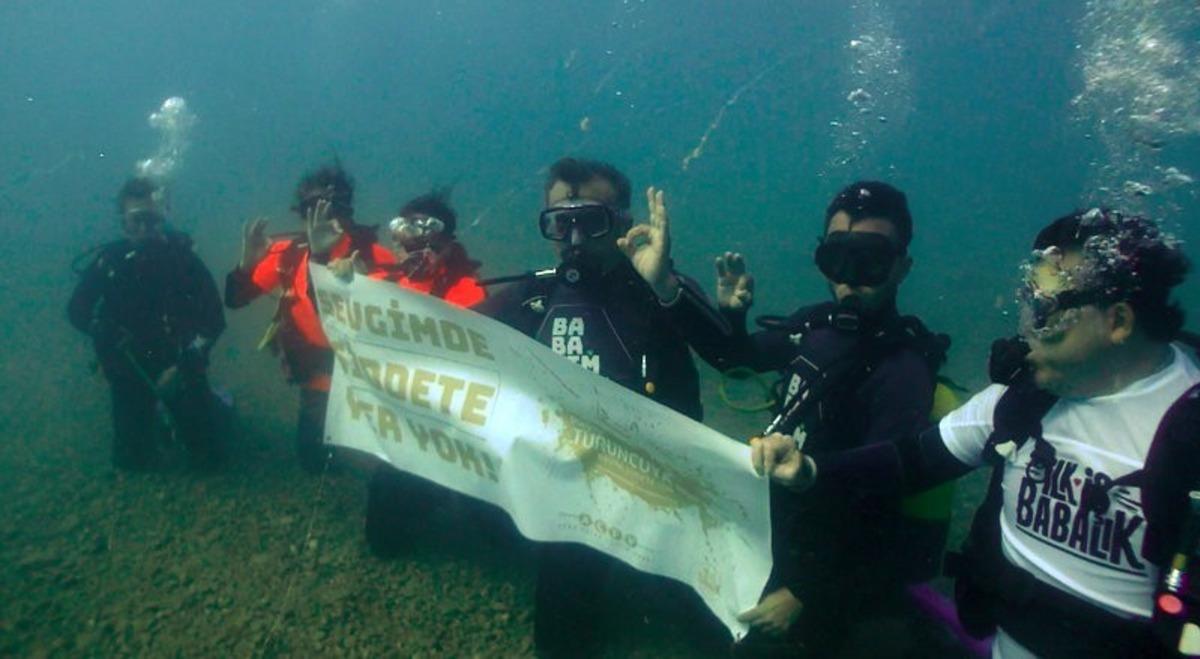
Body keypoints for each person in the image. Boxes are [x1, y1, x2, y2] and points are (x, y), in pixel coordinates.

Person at [752, 208, 1200, 658]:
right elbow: (914, 459)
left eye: (1044, 311)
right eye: (1027, 303)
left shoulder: (1187, 433)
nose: (1026, 331)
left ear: (1118, 321)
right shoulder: (1022, 400)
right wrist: (811, 469)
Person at [643, 181, 953, 657]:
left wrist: (804, 594)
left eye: (870, 260)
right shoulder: (816, 325)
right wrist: (669, 289)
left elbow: (879, 502)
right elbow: (736, 357)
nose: (851, 277)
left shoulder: (902, 373)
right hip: (783, 529)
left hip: (835, 559)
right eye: (837, 259)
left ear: (901, 267)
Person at [474, 157, 731, 657]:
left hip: (665, 483)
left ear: (619, 222)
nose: (573, 238)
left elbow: (728, 356)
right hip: (573, 490)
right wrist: (361, 294)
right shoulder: (536, 294)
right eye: (559, 222)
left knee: (715, 628)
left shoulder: (659, 290)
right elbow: (443, 335)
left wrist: (666, 288)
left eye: (589, 221)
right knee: (560, 638)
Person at [224, 162, 396, 474]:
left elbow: (390, 318)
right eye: (310, 209)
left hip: (368, 383)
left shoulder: (373, 256)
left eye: (328, 208)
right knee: (314, 464)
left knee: (380, 467)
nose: (319, 217)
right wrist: (246, 264)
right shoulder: (290, 255)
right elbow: (235, 300)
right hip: (316, 381)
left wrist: (324, 258)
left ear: (346, 211)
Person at [364, 188, 490, 558]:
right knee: (384, 538)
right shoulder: (380, 285)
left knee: (492, 531)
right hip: (409, 428)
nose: (415, 255)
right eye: (405, 243)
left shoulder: (472, 292)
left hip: (461, 431)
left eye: (429, 246)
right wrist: (337, 276)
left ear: (449, 246)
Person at [68, 177, 226, 472]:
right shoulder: (110, 262)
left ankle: (217, 404)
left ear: (165, 218)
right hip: (129, 371)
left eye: (152, 221)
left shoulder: (185, 261)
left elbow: (214, 320)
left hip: (180, 369)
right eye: (135, 221)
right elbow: (77, 311)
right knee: (132, 462)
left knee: (211, 458)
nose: (143, 230)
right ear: (122, 223)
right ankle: (157, 418)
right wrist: (101, 329)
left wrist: (186, 364)